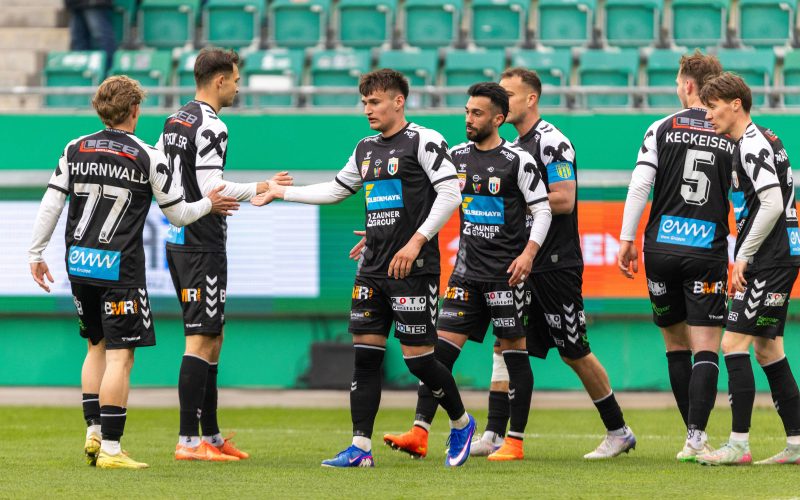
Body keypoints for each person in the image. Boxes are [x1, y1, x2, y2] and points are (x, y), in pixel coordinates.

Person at [251, 68, 476, 468]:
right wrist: (281, 192)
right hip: (372, 267)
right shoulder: (365, 148)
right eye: (364, 102)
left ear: (398, 101)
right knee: (365, 358)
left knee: (418, 360)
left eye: (374, 102)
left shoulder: (425, 140)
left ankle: (460, 422)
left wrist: (415, 239)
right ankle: (360, 448)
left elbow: (450, 193)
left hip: (414, 267)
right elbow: (337, 190)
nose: (367, 109)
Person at [28, 75, 238, 469]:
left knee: (95, 347)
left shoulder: (74, 148)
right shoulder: (148, 155)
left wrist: (35, 253)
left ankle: (93, 429)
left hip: (79, 263)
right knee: (120, 358)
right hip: (119, 268)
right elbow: (179, 213)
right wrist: (209, 203)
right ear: (135, 110)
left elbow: (51, 204)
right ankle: (110, 448)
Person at [451, 67, 637, 460]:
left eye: (509, 95)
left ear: (530, 99)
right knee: (504, 344)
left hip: (554, 263)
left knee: (574, 350)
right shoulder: (509, 147)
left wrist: (514, 200)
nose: (501, 102)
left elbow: (565, 198)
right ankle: (495, 433)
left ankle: (618, 429)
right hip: (519, 262)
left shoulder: (552, 142)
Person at [382, 82, 552, 462]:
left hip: (506, 276)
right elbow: (426, 203)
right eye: (466, 111)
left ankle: (515, 441)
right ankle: (420, 432)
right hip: (465, 276)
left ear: (498, 118)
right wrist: (386, 234)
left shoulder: (518, 160)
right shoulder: (455, 157)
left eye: (477, 113)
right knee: (437, 357)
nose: (468, 119)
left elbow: (542, 211)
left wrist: (528, 254)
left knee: (514, 355)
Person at [158, 47, 291, 462]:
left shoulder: (174, 119)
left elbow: (164, 179)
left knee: (212, 336)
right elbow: (213, 187)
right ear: (219, 80)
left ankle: (211, 437)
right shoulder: (213, 125)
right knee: (200, 339)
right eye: (234, 79)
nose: (237, 86)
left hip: (179, 237)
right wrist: (260, 187)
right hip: (202, 241)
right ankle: (187, 441)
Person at [618, 51, 733, 461]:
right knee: (706, 348)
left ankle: (691, 434)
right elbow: (739, 200)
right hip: (707, 250)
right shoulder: (728, 131)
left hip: (661, 249)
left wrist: (626, 238)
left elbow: (639, 186)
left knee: (674, 345)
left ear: (687, 85)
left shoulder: (661, 128)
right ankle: (697, 439)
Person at [695, 72, 800, 466]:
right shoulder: (764, 138)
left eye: (713, 106)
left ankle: (738, 444)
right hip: (781, 255)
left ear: (735, 104)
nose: (708, 115)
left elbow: (771, 203)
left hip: (768, 260)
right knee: (769, 350)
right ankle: (796, 443)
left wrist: (742, 256)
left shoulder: (752, 145)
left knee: (732, 345)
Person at [65, 0, 116, 75]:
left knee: (101, 37)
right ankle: (80, 74)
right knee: (78, 41)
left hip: (94, 3)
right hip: (75, 4)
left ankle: (109, 71)